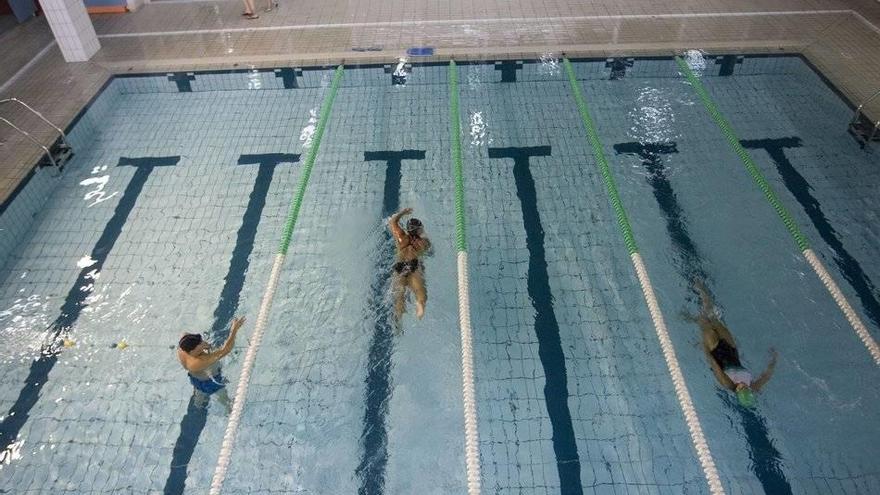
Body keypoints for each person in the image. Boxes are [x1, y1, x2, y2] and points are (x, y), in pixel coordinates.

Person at [686, 280, 777, 408]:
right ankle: (702, 293)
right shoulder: (753, 386)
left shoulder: (727, 383)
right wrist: (774, 358)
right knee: (714, 318)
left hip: (716, 351)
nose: (742, 385)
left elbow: (713, 363)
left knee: (704, 322)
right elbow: (766, 376)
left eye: (740, 389)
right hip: (732, 348)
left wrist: (704, 346)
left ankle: (691, 314)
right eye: (745, 387)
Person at [177, 316, 246, 413]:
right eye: (200, 344)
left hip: (196, 379)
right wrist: (234, 330)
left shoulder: (182, 348)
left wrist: (202, 346)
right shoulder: (197, 362)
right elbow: (225, 350)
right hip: (211, 383)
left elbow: (185, 334)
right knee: (223, 397)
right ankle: (229, 410)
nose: (203, 343)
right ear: (192, 350)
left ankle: (198, 404)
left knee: (199, 392)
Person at [389, 207, 431, 320]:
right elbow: (429, 251)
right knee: (421, 293)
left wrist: (402, 212)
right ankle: (420, 309)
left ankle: (398, 320)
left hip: (399, 267)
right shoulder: (423, 242)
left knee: (399, 298)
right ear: (418, 230)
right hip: (413, 266)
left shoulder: (401, 237)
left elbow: (393, 221)